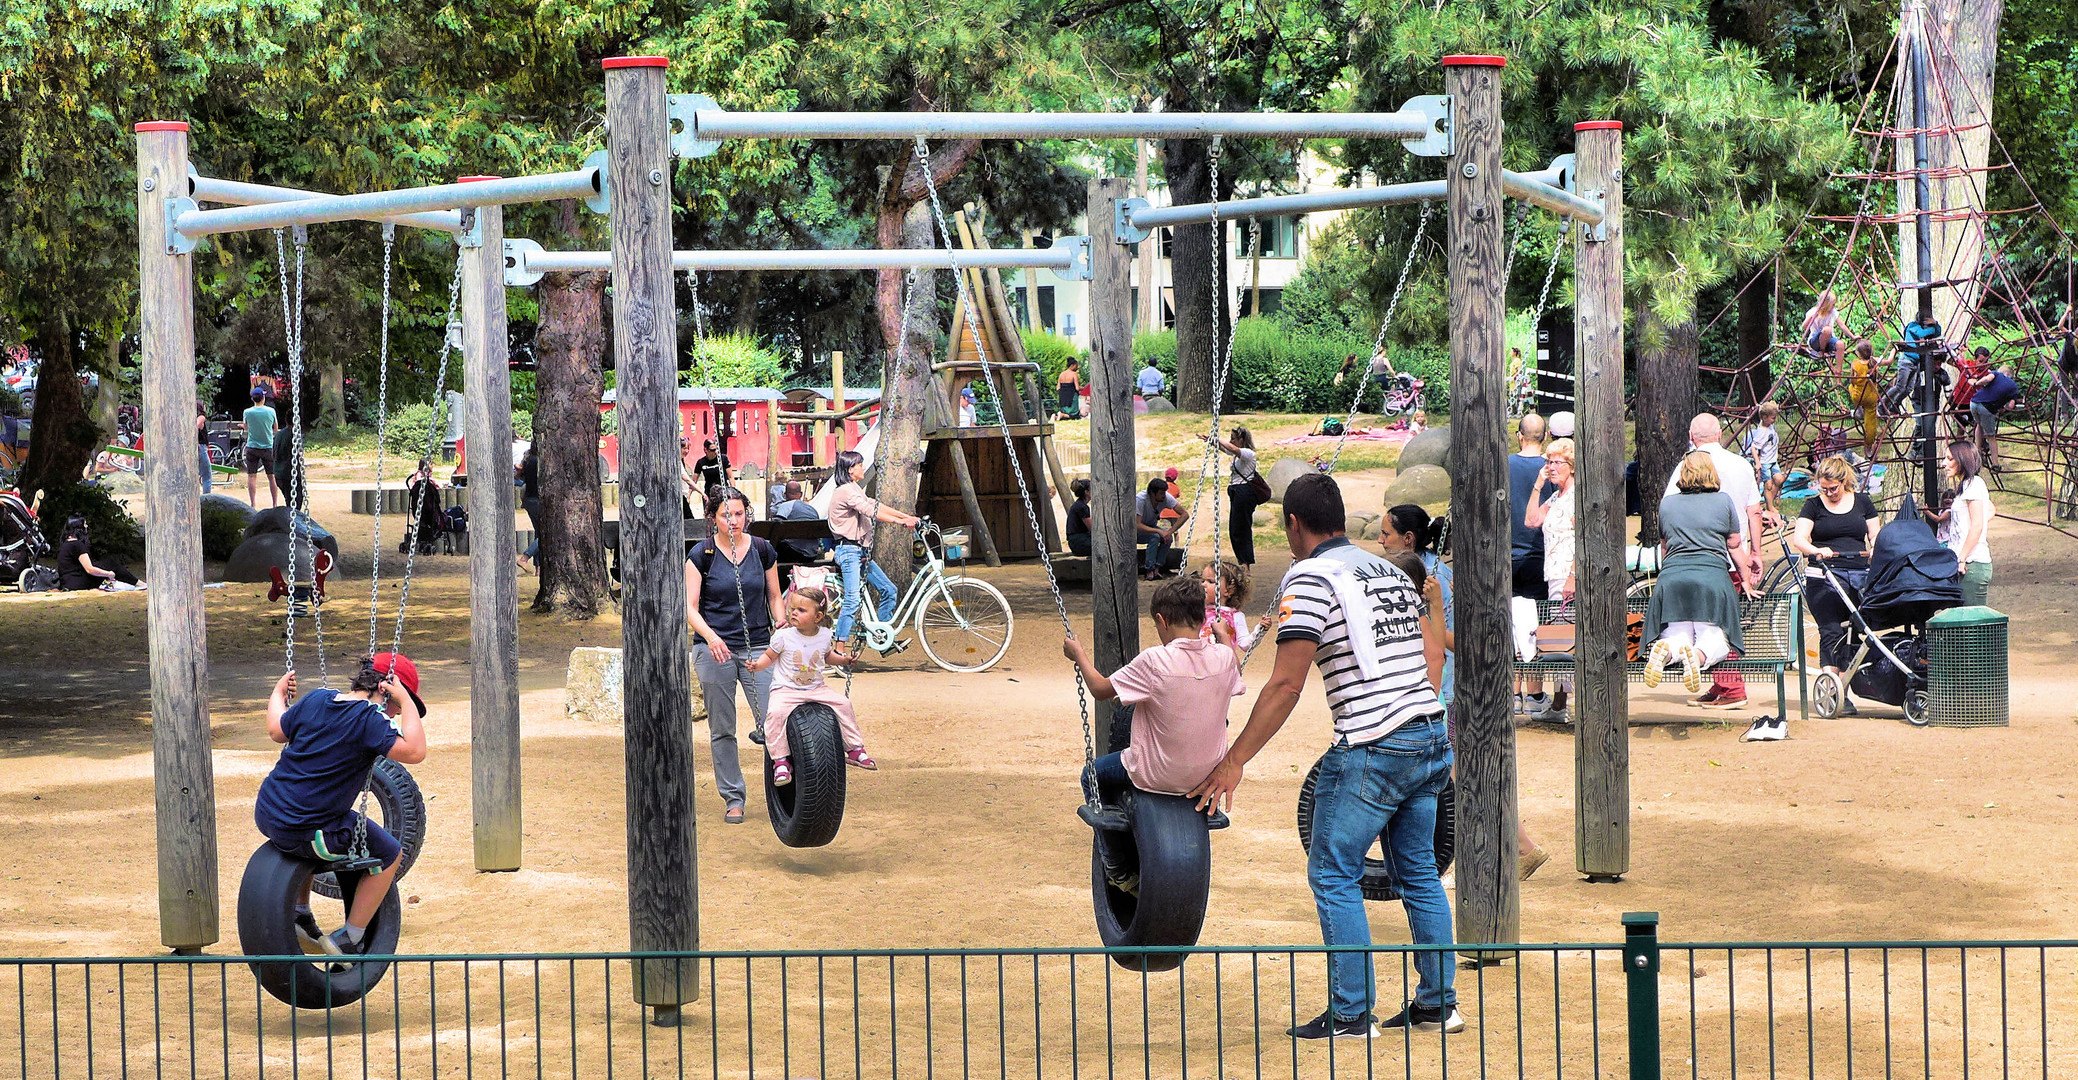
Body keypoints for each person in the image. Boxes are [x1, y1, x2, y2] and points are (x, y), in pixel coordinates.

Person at [1192, 472, 1455, 1039]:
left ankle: (1352, 1011)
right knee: (1419, 874)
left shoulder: (1309, 577)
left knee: (1334, 871)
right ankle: (1438, 1003)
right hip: (1429, 731)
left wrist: (1234, 759)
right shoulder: (1386, 568)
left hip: (1374, 740)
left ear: (1293, 523)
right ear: (1339, 517)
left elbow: (1285, 686)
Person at [1063, 575, 1245, 891]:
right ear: (1203, 618)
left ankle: (1118, 868)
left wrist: (1078, 654)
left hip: (1156, 775)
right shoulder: (1224, 657)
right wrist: (1224, 637)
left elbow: (1100, 690)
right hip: (1207, 776)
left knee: (1092, 774)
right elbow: (1236, 670)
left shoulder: (1154, 660)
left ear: (1161, 621)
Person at [255, 653, 428, 957]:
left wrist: (277, 693)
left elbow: (275, 729)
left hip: (269, 813)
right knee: (389, 854)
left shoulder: (318, 699)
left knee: (318, 815)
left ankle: (300, 914)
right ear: (387, 691)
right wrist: (407, 700)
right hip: (308, 830)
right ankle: (351, 936)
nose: (397, 714)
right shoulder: (369, 720)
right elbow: (415, 751)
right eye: (398, 707)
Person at [1644, 454, 1766, 735]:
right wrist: (1746, 580)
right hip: (1711, 578)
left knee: (1677, 634)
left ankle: (1666, 653)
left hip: (1672, 578)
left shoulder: (1667, 503)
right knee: (1718, 638)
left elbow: (1664, 547)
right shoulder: (1723, 501)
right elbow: (1735, 546)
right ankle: (1698, 657)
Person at [685, 486, 785, 825]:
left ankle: (784, 791)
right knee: (723, 727)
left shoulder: (762, 549)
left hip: (758, 644)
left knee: (775, 720)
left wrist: (782, 623)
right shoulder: (702, 555)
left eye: (739, 513)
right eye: (726, 515)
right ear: (713, 518)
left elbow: (774, 596)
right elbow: (690, 608)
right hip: (715, 648)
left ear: (747, 514)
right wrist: (711, 637)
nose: (734, 520)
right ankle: (733, 797)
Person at [1662, 413, 1765, 711]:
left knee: (1714, 626)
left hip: (1696, 559)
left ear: (1692, 437)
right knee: (1716, 623)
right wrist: (1755, 553)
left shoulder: (1685, 467)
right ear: (1720, 435)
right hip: (1733, 558)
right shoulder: (1742, 464)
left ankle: (1732, 688)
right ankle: (1722, 685)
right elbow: (1754, 511)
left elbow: (1669, 512)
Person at [747, 588, 872, 783]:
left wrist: (845, 660)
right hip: (786, 689)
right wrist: (757, 665)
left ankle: (855, 748)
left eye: (801, 610)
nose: (794, 613)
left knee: (844, 704)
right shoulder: (783, 636)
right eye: (792, 608)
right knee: (775, 714)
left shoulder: (824, 635)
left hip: (816, 688)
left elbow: (828, 656)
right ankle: (780, 761)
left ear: (818, 616)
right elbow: (769, 656)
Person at [1789, 455, 1880, 714]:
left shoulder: (1863, 502)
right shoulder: (1812, 506)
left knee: (1855, 632)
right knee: (1830, 631)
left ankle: (1844, 687)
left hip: (1858, 573)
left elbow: (1875, 533)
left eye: (1834, 488)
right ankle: (1832, 690)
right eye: (1824, 488)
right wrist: (1818, 550)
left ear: (1844, 482)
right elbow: (1800, 538)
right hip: (1825, 576)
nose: (1829, 493)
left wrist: (1874, 548)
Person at [827, 449, 921, 645]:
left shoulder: (854, 488)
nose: (863, 467)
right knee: (852, 600)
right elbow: (869, 510)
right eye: (860, 464)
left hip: (860, 552)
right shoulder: (844, 491)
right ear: (851, 469)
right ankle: (839, 647)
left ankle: (882, 637)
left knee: (889, 590)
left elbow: (875, 504)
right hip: (849, 551)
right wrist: (900, 523)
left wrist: (905, 516)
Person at [1522, 437, 1577, 723]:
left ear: (1571, 466)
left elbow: (1585, 539)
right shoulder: (1556, 496)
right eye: (1549, 462)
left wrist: (1573, 575)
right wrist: (1538, 484)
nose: (1551, 467)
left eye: (1557, 462)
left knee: (1565, 641)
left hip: (1568, 576)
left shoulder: (1576, 496)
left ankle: (1560, 705)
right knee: (1561, 640)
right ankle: (1559, 704)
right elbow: (1531, 521)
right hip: (1553, 575)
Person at [1508, 414, 1553, 713]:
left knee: (1510, 622)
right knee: (1538, 623)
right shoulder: (1554, 468)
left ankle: (1512, 692)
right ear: (1546, 436)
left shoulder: (1505, 465)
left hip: (1508, 554)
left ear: (1519, 436)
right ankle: (1536, 695)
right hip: (1541, 553)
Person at [1925, 441, 1994, 607]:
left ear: (1962, 460)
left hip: (1971, 565)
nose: (1944, 464)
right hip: (1961, 564)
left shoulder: (1974, 484)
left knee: (1972, 626)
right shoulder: (1966, 486)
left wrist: (1962, 558)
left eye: (1949, 459)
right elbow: (1990, 509)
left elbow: (1977, 525)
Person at [1206, 426, 1262, 565]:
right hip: (1237, 493)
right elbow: (1227, 450)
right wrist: (1212, 441)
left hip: (1244, 493)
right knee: (1235, 529)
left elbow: (1233, 449)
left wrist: (1218, 438)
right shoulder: (1238, 456)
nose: (1231, 441)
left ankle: (1245, 563)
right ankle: (1242, 561)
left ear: (1241, 440)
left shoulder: (1248, 453)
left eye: (1233, 439)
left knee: (1241, 528)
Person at [55, 514, 142, 591]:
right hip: (77, 583)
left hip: (67, 582)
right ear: (79, 528)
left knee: (104, 564)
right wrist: (109, 574)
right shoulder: (77, 544)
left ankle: (133, 582)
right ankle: (138, 584)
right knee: (111, 562)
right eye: (85, 524)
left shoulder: (65, 543)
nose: (87, 526)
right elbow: (89, 569)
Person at [1883, 311, 1945, 417]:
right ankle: (1882, 404)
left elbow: (1937, 333)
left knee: (1908, 389)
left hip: (1915, 362)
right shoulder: (1912, 326)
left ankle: (1895, 405)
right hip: (1906, 361)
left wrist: (1936, 323)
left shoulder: (1926, 329)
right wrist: (1932, 326)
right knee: (1900, 387)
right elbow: (1921, 334)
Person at [1968, 363, 2021, 472]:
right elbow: (2010, 406)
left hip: (1973, 402)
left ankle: (1977, 455)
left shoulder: (1996, 374)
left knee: (1979, 425)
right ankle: (1995, 464)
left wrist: (1976, 383)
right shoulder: (2014, 387)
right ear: (2010, 375)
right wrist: (2003, 406)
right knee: (1991, 436)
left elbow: (1987, 379)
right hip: (1986, 408)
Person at [1134, 477, 1186, 581]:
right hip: (1136, 531)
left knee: (1168, 538)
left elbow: (1184, 514)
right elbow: (1137, 525)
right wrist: (1159, 531)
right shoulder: (1141, 500)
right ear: (1152, 494)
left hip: (1151, 527)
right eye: (1161, 493)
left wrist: (1169, 532)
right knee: (1155, 537)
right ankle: (1149, 569)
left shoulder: (1166, 498)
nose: (1164, 496)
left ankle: (1157, 568)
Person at [1197, 558, 1254, 651]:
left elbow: (1245, 645)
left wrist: (1259, 630)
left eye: (1211, 582)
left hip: (1222, 662)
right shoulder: (1198, 611)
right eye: (1203, 580)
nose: (1203, 584)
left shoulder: (1235, 616)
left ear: (1228, 590)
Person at [1845, 339, 1887, 458]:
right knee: (1870, 423)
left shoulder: (1855, 364)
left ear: (1859, 354)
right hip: (1871, 397)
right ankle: (1868, 446)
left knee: (1850, 387)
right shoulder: (1874, 362)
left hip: (1858, 396)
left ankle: (1857, 409)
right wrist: (1894, 350)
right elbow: (1888, 362)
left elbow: (1852, 380)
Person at [1744, 402, 1784, 524]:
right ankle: (1770, 507)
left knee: (1779, 480)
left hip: (1773, 460)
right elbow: (1753, 447)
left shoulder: (1769, 425)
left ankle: (1769, 502)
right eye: (1773, 417)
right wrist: (1757, 462)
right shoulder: (1762, 431)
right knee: (1768, 485)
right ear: (1765, 418)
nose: (1775, 420)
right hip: (1765, 462)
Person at [770, 481, 825, 563]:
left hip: (792, 554)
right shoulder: (812, 510)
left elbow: (776, 528)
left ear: (784, 494)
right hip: (811, 555)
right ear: (801, 494)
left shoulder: (785, 506)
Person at [243, 387, 279, 507]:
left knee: (252, 476)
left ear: (253, 399)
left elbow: (246, 427)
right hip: (267, 447)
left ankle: (253, 504)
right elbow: (275, 429)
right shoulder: (271, 411)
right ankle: (274, 504)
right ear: (263, 398)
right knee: (271, 477)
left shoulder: (247, 412)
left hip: (252, 447)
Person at [403, 458, 444, 554]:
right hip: (425, 508)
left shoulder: (427, 476)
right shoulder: (421, 477)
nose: (432, 465)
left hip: (421, 507)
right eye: (431, 464)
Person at [1801, 289, 1847, 368]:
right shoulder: (1813, 312)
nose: (1834, 306)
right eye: (1833, 304)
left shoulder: (1833, 312)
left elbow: (1842, 325)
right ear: (1827, 304)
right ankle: (1822, 351)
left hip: (1828, 340)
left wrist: (1853, 336)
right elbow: (1804, 327)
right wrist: (1812, 318)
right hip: (1815, 341)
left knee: (1840, 344)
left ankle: (1839, 372)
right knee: (1827, 330)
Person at [516, 443, 540, 575]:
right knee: (545, 534)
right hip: (537, 500)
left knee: (539, 532)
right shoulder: (540, 461)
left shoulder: (528, 460)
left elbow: (519, 476)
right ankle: (525, 558)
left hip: (528, 499)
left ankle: (538, 568)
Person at [1065, 478, 1093, 557]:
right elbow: (1092, 528)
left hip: (1076, 541)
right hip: (1078, 542)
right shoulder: (1082, 507)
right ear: (1086, 492)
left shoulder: (1079, 504)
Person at [196, 402, 213, 495]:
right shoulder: (201, 417)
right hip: (200, 447)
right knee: (207, 476)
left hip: (198, 447)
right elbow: (197, 424)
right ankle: (207, 497)